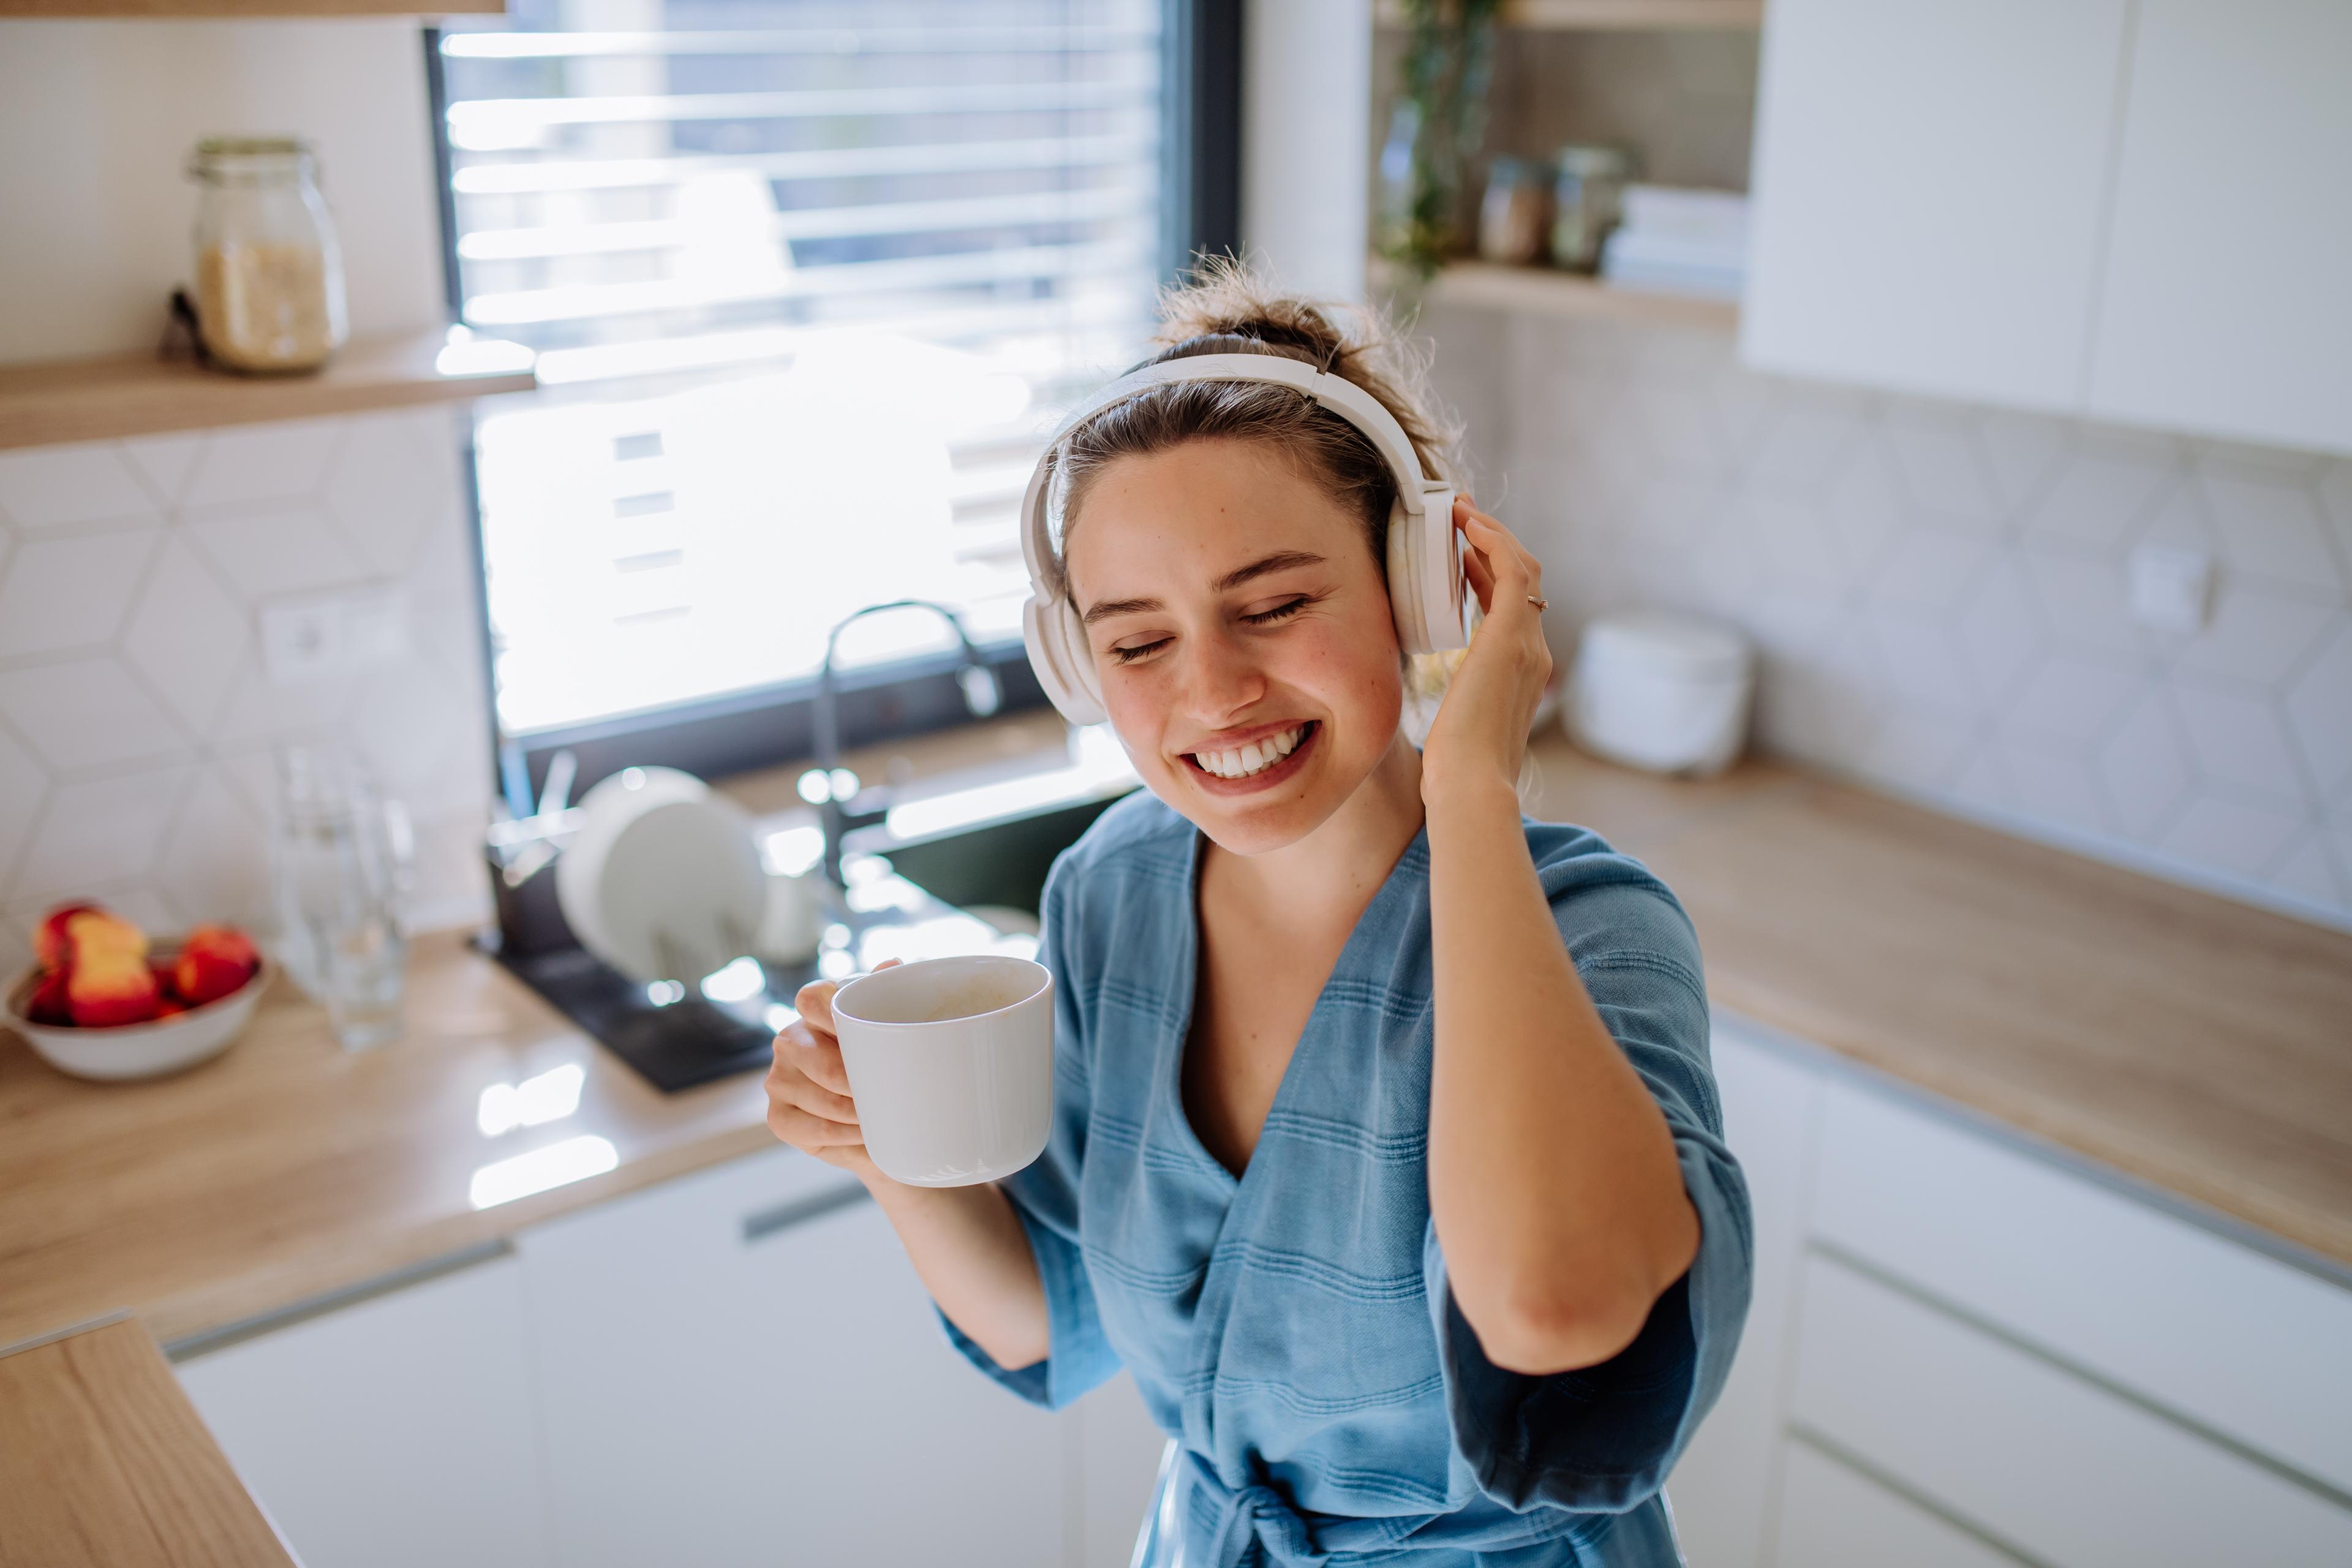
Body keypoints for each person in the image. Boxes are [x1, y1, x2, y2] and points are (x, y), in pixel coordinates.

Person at [765, 259, 1752, 1567]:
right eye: (1135, 642)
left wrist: (1472, 779)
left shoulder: (1592, 927)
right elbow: (1051, 1324)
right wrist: (883, 1146)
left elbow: (1551, 1301)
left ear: (1417, 584)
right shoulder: (1111, 893)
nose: (1213, 690)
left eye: (1276, 605)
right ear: (1076, 662)